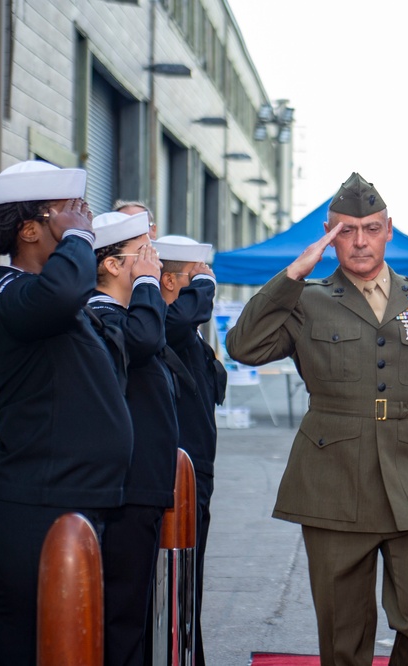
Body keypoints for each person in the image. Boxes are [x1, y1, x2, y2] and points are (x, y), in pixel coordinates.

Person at [226, 172, 408, 666]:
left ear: (389, 229)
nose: (359, 240)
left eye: (370, 228)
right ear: (328, 233)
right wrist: (292, 275)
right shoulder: (306, 300)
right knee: (344, 636)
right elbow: (244, 346)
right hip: (333, 482)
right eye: (346, 230)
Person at [0, 160, 133, 665]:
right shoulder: (6, 292)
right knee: (32, 650)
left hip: (66, 496)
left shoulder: (45, 298)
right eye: (70, 212)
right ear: (30, 230)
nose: (86, 220)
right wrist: (78, 241)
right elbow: (57, 294)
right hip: (32, 505)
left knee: (63, 646)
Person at [88, 211, 174, 665]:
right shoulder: (100, 315)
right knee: (121, 615)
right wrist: (147, 285)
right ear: (114, 265)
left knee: (135, 610)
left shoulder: (126, 314)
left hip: (143, 484)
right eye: (145, 253)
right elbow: (142, 342)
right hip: (126, 486)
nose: (156, 262)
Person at [152, 233, 223, 666]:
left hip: (197, 469)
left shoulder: (186, 331)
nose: (204, 288)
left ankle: (187, 652)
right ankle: (177, 654)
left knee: (190, 574)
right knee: (175, 575)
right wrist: (204, 288)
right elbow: (175, 323)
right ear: (170, 282)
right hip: (176, 471)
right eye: (196, 278)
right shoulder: (162, 320)